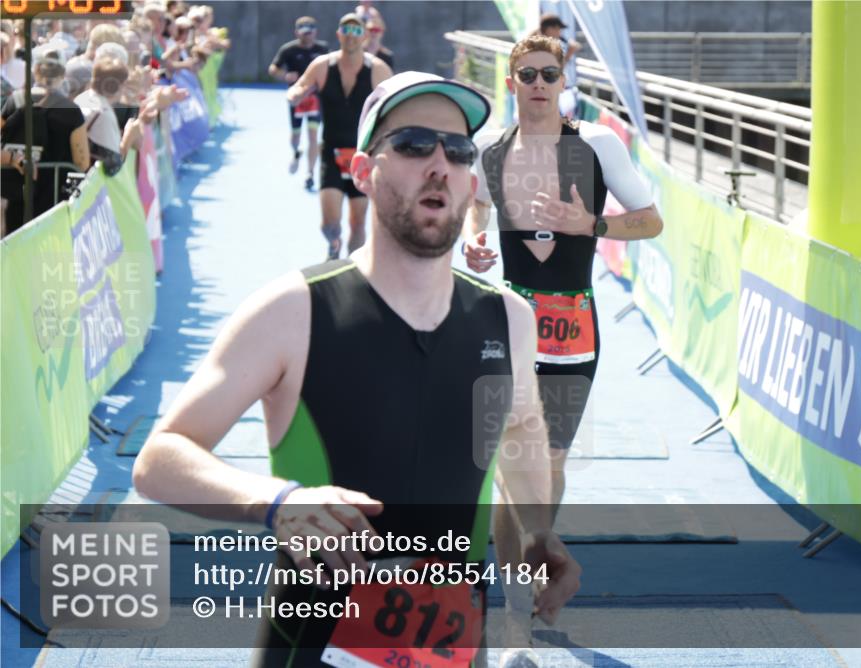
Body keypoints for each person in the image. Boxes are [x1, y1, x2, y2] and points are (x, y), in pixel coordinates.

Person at [133, 70, 581, 667]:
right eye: (414, 144)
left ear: (472, 180)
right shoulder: (293, 311)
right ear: (364, 172)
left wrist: (533, 532)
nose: (438, 164)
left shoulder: (509, 320)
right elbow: (161, 457)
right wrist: (277, 501)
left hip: (450, 646)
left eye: (457, 150)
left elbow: (521, 428)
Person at [462, 34, 663, 665]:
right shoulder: (491, 147)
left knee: (548, 464)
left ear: (564, 79)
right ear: (513, 81)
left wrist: (593, 226)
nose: (541, 84)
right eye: (529, 74)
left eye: (551, 74)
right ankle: (515, 615)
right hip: (511, 323)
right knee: (504, 468)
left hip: (574, 326)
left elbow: (652, 220)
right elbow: (477, 206)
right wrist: (475, 242)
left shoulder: (598, 143)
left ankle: (536, 558)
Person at [288, 12, 392, 259]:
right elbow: (300, 86)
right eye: (346, 30)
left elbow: (396, 103)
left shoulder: (377, 69)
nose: (351, 36)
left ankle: (352, 269)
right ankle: (333, 246)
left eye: (357, 31)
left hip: (364, 155)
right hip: (331, 152)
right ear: (338, 35)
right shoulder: (323, 66)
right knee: (329, 224)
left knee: (358, 222)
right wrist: (295, 94)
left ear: (364, 36)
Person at [0, 47, 89, 232]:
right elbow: (82, 162)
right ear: (63, 74)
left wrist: (14, 158)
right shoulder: (71, 111)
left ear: (35, 70)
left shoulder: (15, 100)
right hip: (53, 204)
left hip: (16, 199)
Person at [269, 16, 329, 187]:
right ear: (297, 33)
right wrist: (285, 76)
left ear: (315, 32)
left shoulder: (323, 49)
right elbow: (273, 68)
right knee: (296, 134)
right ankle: (296, 152)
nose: (307, 36)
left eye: (310, 33)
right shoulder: (288, 50)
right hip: (296, 99)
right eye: (303, 33)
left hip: (315, 99)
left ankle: (310, 173)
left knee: (313, 135)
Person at [537, 12, 580, 118]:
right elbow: (554, 71)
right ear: (548, 29)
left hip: (558, 92)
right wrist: (569, 53)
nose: (559, 32)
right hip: (553, 93)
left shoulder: (548, 44)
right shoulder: (543, 47)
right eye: (557, 29)